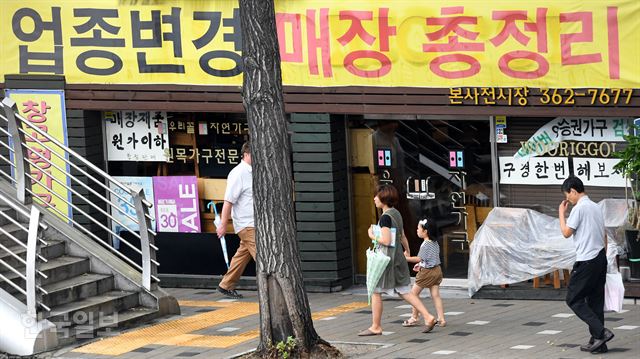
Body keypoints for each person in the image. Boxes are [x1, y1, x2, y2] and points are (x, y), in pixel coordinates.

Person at [358, 185, 437, 336]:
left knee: (375, 290)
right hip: (398, 257)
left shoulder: (385, 217)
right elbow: (402, 236)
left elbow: (386, 241)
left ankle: (376, 326)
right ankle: (428, 316)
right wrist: (406, 250)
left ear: (383, 199)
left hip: (387, 260)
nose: (374, 199)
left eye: (376, 196)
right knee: (404, 291)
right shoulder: (397, 213)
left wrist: (371, 235)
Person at [559, 176, 613, 353]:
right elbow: (604, 234)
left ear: (573, 191)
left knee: (573, 299)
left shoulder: (579, 208)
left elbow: (566, 232)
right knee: (595, 300)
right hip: (600, 257)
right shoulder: (596, 207)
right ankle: (599, 343)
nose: (568, 199)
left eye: (568, 196)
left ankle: (601, 333)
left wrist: (561, 213)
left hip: (587, 260)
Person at [216, 141, 254, 299]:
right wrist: (223, 224)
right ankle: (275, 287)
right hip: (247, 224)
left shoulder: (252, 172)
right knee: (265, 257)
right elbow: (228, 201)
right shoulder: (238, 173)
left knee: (242, 254)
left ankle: (226, 284)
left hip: (253, 223)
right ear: (246, 154)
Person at [402, 218, 446, 328]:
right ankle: (441, 319)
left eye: (418, 228)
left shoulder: (425, 244)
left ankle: (414, 318)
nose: (416, 230)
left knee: (413, 294)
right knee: (435, 295)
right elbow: (429, 259)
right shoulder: (435, 243)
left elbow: (419, 258)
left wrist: (405, 259)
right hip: (437, 271)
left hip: (427, 273)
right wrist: (421, 264)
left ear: (425, 231)